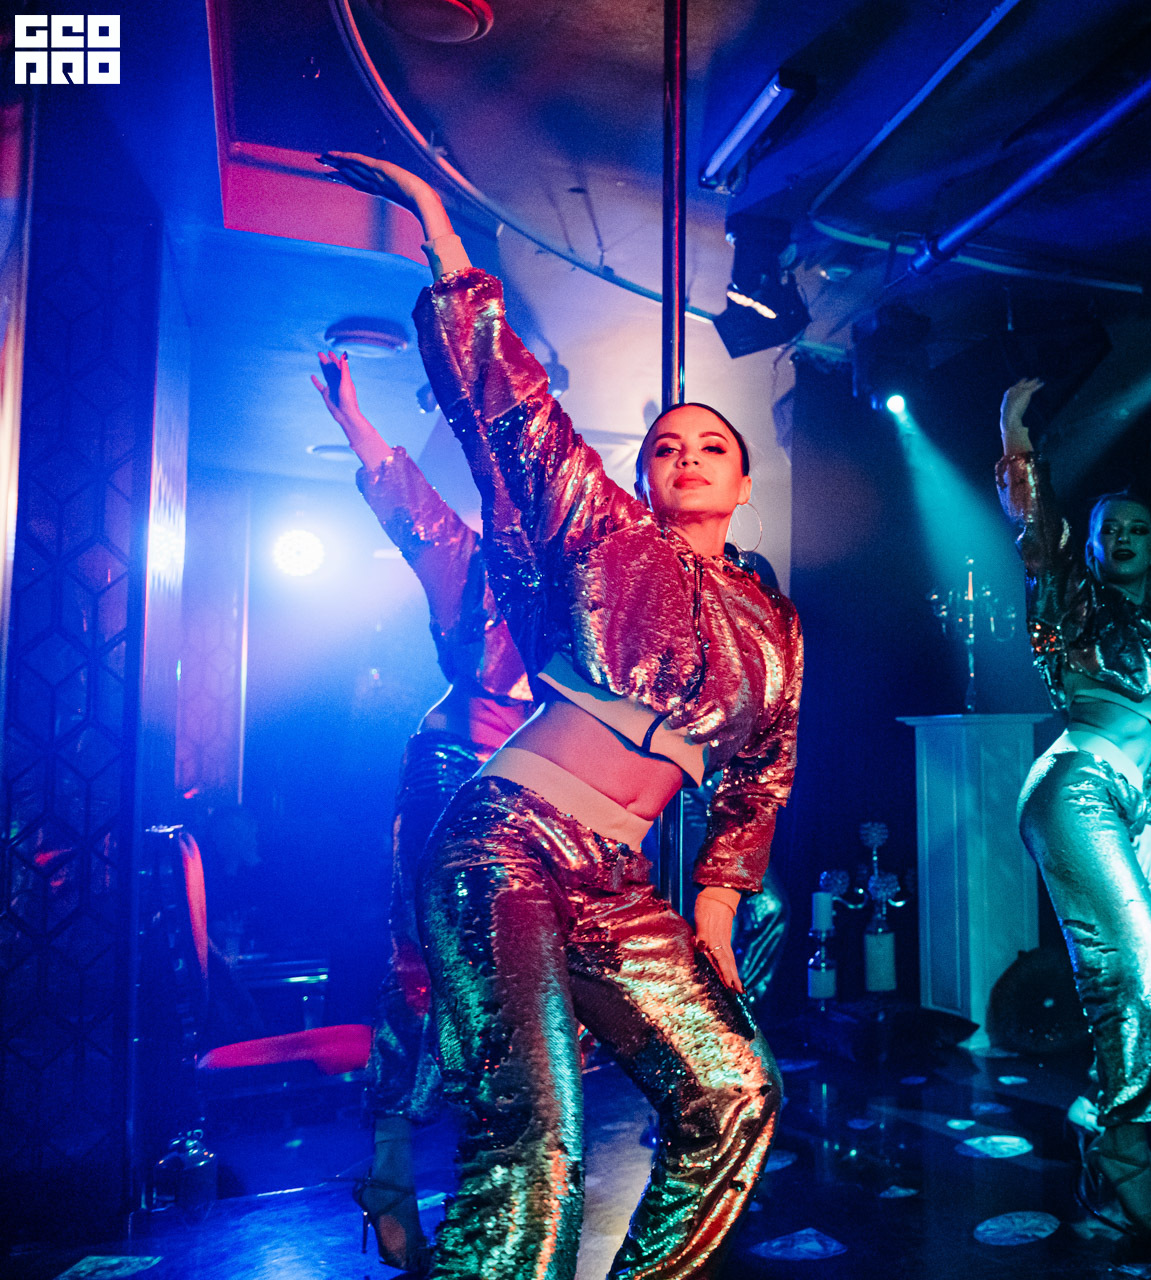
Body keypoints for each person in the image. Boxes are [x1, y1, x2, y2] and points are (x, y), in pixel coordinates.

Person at [320, 150, 800, 1280]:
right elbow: (512, 406)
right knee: (534, 1138)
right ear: (642, 479)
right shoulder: (604, 537)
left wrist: (718, 907)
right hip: (505, 839)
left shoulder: (774, 624)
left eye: (713, 447)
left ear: (744, 485)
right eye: (666, 447)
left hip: (614, 879)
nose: (689, 457)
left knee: (735, 1092)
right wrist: (442, 232)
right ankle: (396, 1174)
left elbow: (763, 771)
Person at [313, 350, 534, 1273]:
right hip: (450, 771)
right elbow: (410, 508)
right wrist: (356, 423)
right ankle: (392, 1164)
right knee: (424, 963)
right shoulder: (471, 563)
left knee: (519, 977)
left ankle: (493, 1176)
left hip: (536, 790)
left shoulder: (595, 587)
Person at [996, 377, 1151, 1239]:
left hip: (1127, 808)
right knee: (1137, 967)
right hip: (1074, 785)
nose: (1123, 539)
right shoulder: (1074, 601)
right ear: (1094, 545)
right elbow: (1039, 538)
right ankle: (1123, 1152)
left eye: (1137, 529)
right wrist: (1018, 441)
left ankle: (1101, 1109)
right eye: (1110, 530)